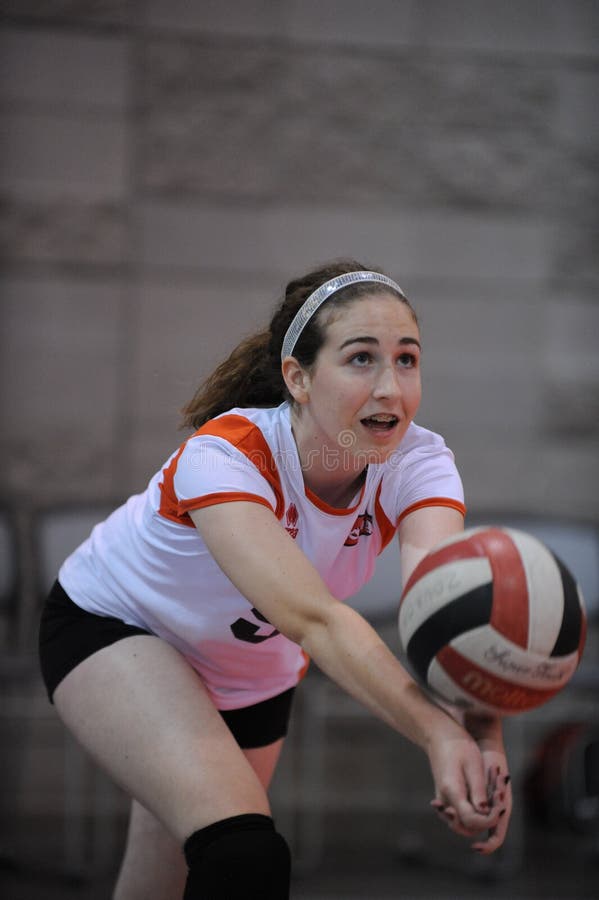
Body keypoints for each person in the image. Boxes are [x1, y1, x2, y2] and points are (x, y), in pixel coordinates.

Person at [39, 260, 512, 899]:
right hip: (116, 627)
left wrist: (482, 737)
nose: (390, 388)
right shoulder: (226, 455)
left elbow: (443, 614)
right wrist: (436, 733)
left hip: (250, 674)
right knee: (243, 855)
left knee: (166, 881)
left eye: (406, 359)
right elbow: (312, 618)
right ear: (299, 377)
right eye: (361, 359)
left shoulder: (420, 463)